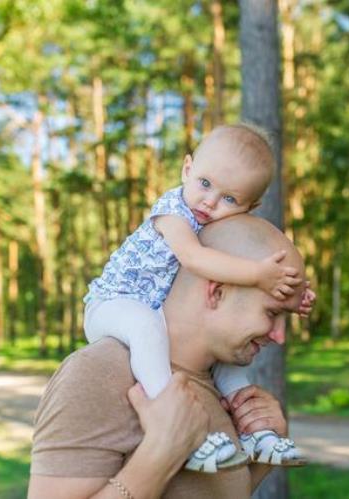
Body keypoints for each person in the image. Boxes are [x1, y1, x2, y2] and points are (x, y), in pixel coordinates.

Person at [82, 124, 314, 472]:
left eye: (230, 199)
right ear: (187, 169)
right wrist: (260, 274)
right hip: (112, 305)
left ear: (250, 206)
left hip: (152, 312)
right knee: (145, 325)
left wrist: (290, 293)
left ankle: (257, 435)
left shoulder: (215, 226)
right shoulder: (173, 212)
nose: (210, 201)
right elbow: (195, 259)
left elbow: (244, 258)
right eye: (205, 183)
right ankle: (176, 426)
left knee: (231, 366)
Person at [29, 214, 309, 498]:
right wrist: (161, 453)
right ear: (217, 292)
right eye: (272, 313)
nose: (279, 336)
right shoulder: (98, 372)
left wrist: (262, 450)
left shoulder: (219, 385)